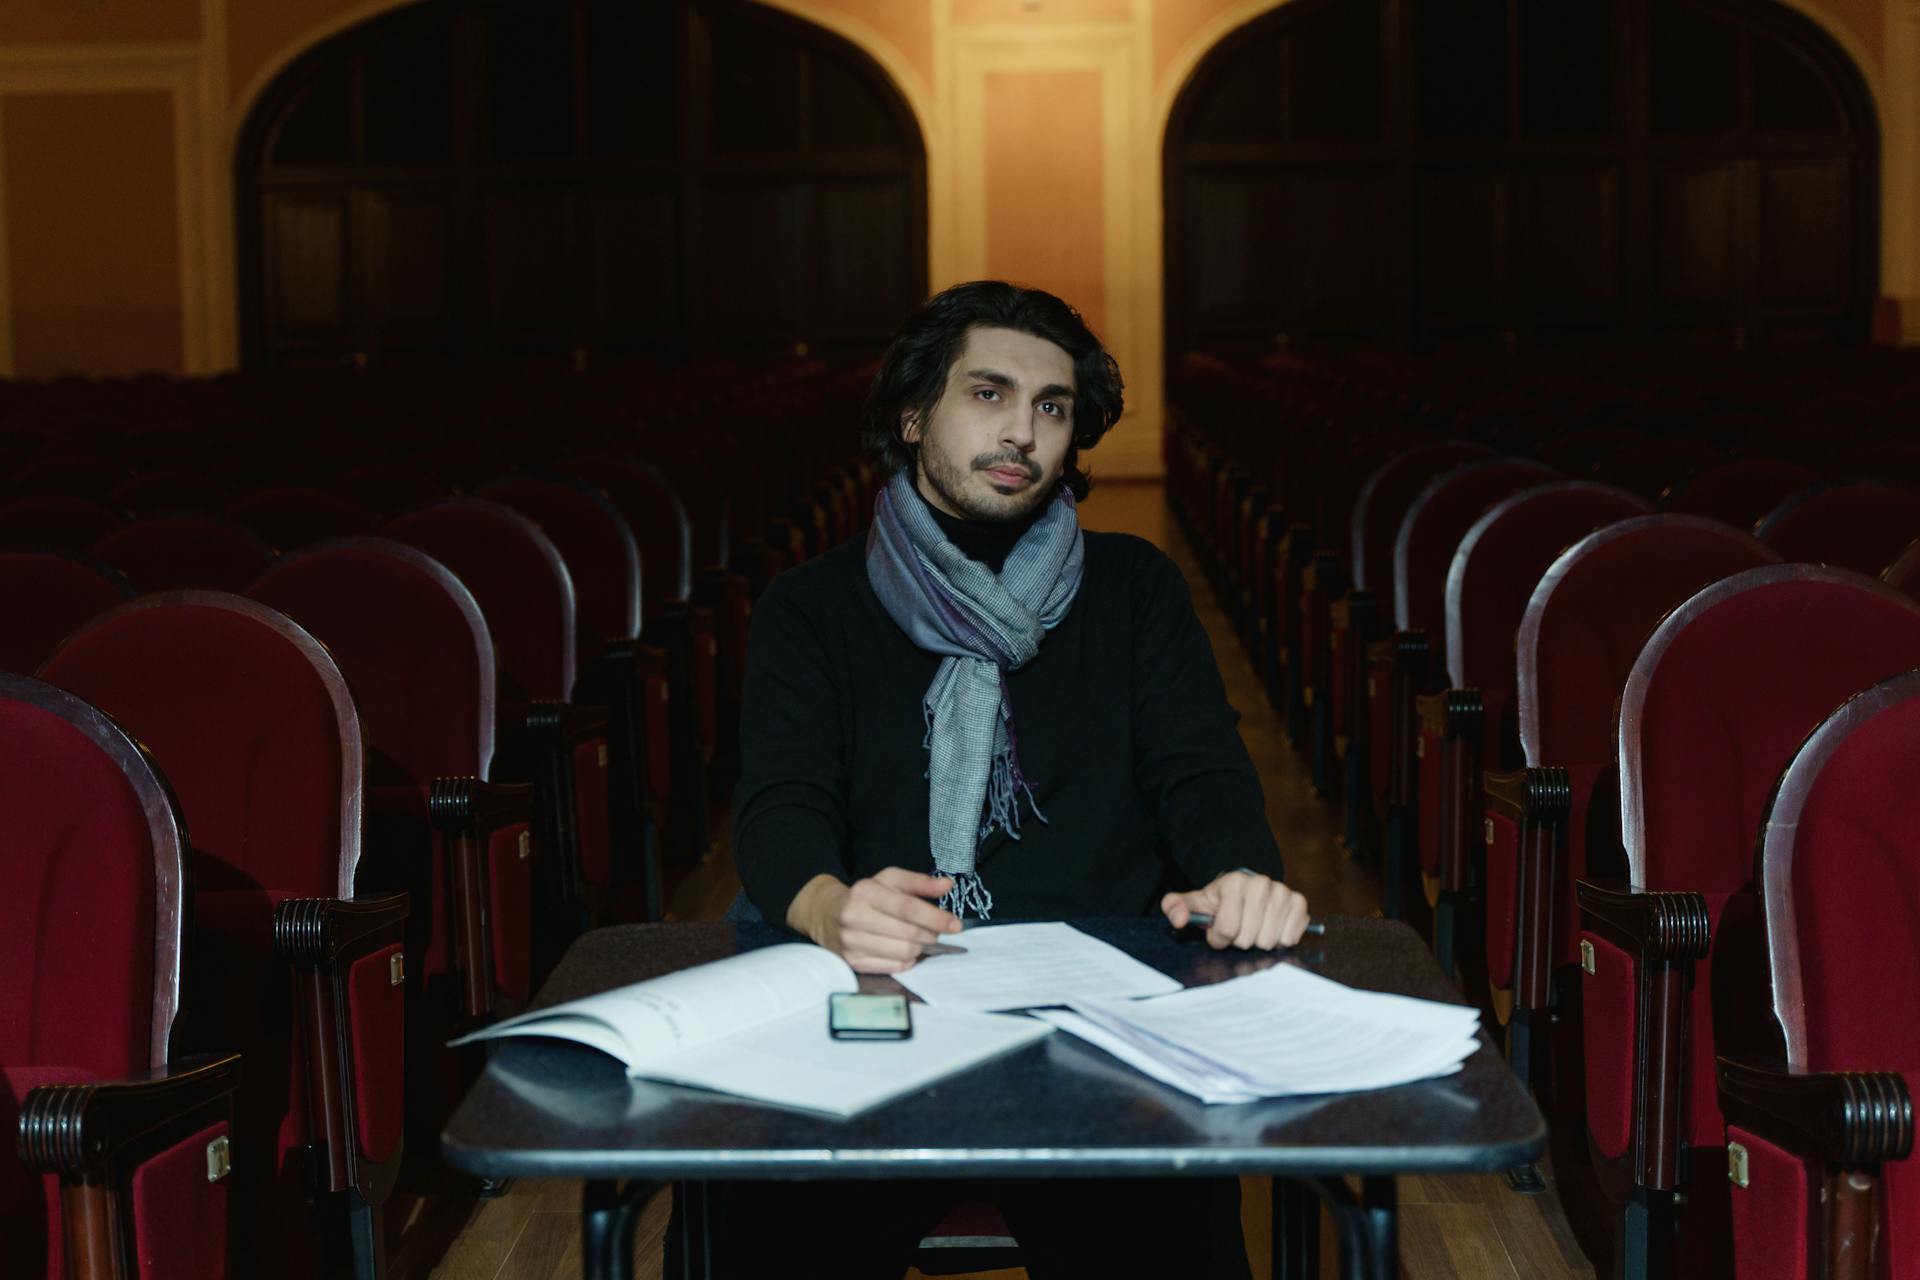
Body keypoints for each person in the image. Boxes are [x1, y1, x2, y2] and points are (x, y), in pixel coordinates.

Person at [706, 280, 1310, 1278]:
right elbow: (782, 806)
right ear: (913, 415)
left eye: (1052, 406)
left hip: (1097, 1018)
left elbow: (1202, 774)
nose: (1021, 430)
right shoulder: (811, 608)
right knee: (774, 1212)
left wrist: (1241, 871)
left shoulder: (1134, 590)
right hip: (881, 1002)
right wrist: (827, 907)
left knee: (1168, 1223)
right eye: (987, 394)